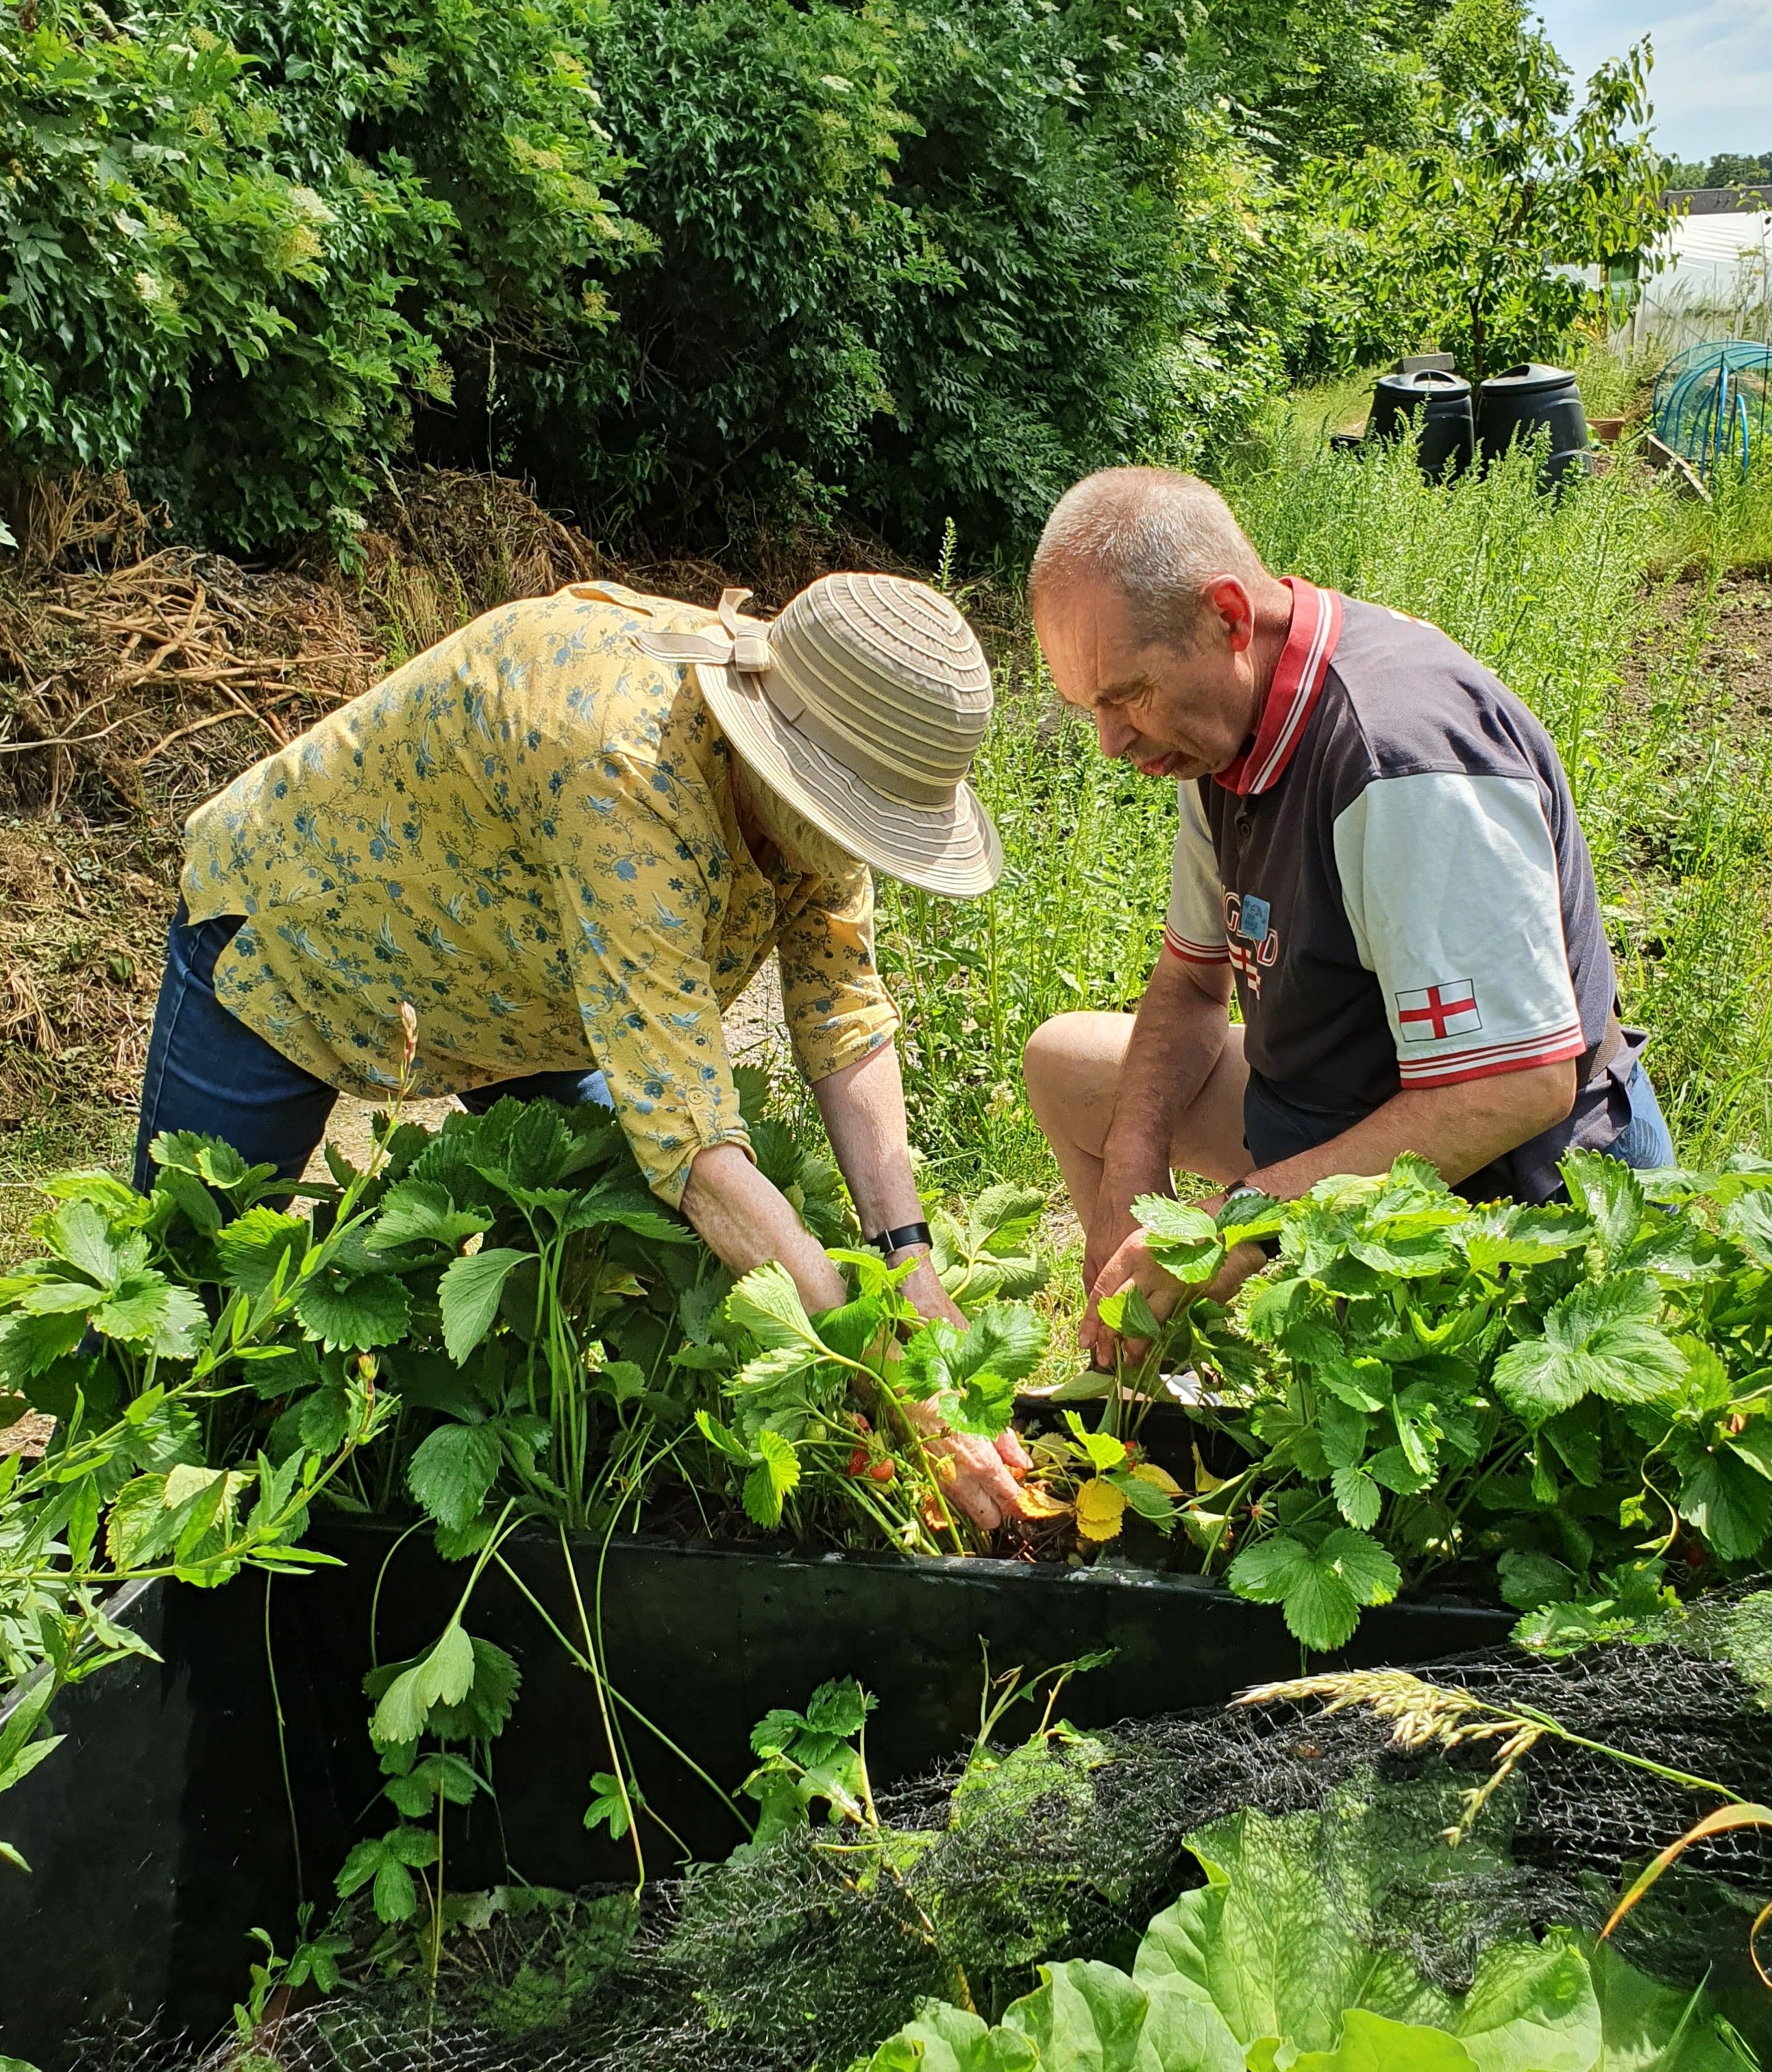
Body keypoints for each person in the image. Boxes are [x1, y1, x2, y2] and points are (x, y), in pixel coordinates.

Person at [137, 571, 1030, 1525]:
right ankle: (123, 1551)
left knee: (640, 1256)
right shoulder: (628, 770)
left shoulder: (824, 777)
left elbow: (843, 1020)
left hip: (534, 989)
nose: (861, 847)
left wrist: (912, 1275)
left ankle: (551, 1458)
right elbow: (695, 1147)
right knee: (180, 1319)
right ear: (779, 761)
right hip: (305, 938)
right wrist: (880, 1365)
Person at [1020, 467, 1673, 1369]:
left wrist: (1237, 1228)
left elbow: (1516, 1088)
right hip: (1336, 1112)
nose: (1111, 740)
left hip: (1506, 1179)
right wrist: (1134, 1166)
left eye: (1125, 694)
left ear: (1229, 621)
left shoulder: (1399, 762)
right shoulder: (1217, 735)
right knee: (1067, 1066)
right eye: (1089, 706)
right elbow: (1188, 982)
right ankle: (1160, 1382)